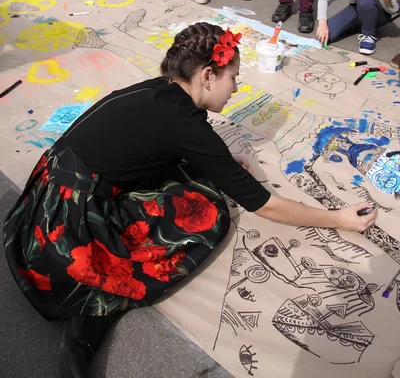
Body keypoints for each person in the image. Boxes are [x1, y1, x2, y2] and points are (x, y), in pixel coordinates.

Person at [3, 22, 377, 378]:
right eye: (232, 77)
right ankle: (89, 324)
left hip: (48, 190)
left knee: (194, 178)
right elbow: (263, 204)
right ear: (208, 75)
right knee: (208, 213)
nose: (235, 88)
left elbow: (147, 141)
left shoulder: (163, 90)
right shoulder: (185, 123)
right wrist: (339, 219)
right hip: (65, 227)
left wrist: (217, 159)